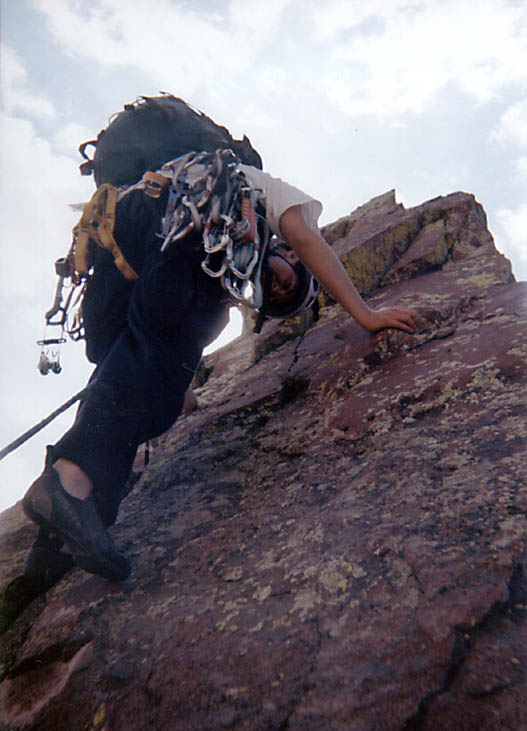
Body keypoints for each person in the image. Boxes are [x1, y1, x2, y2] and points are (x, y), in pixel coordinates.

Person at [22, 140, 420, 586]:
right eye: (288, 282)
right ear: (290, 255)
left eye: (276, 295)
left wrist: (179, 388)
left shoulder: (224, 274)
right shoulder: (275, 203)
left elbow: (157, 345)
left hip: (124, 233)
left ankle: (55, 545)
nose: (276, 285)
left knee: (132, 373)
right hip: (166, 219)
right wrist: (364, 313)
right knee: (162, 355)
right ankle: (67, 487)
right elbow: (308, 238)